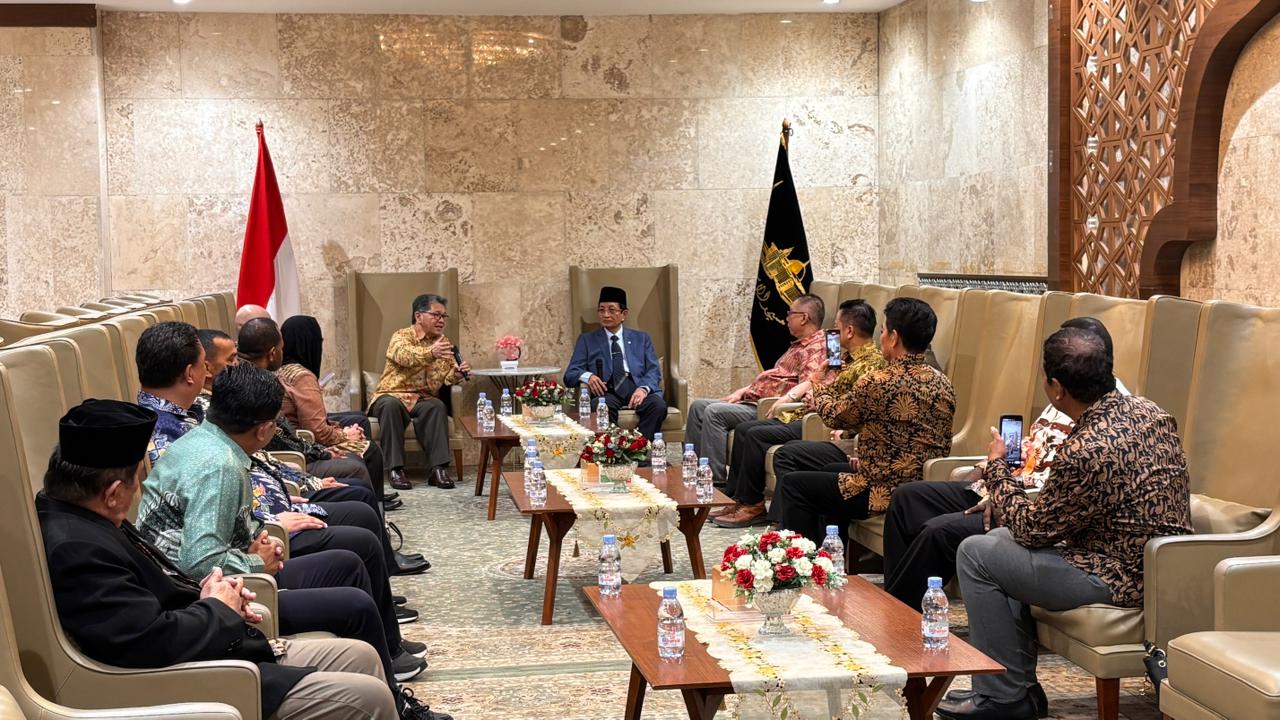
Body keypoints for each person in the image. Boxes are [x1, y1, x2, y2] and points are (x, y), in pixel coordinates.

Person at [37, 398, 450, 720]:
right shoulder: (78, 549)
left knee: (361, 656)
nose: (138, 492)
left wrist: (217, 595)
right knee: (369, 696)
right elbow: (147, 643)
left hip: (213, 643)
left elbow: (161, 587)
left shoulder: (85, 517)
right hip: (197, 678)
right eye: (134, 483)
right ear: (112, 493)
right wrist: (218, 607)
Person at [935, 328, 1191, 720]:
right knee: (1001, 543)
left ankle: (1003, 697)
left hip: (1116, 574)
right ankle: (1020, 691)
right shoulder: (1153, 413)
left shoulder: (1085, 448)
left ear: (1056, 389)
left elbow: (1032, 530)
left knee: (976, 552)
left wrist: (998, 468)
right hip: (1162, 567)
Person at [137, 362, 428, 685]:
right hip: (207, 595)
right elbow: (199, 561)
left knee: (348, 564)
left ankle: (391, 659)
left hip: (223, 571)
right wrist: (256, 561)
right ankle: (394, 698)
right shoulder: (219, 467)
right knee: (355, 605)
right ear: (264, 430)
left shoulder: (208, 440)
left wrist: (257, 539)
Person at [881, 317, 1131, 612]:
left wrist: (1000, 488)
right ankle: (893, 602)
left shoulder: (1100, 417)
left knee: (938, 532)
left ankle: (900, 618)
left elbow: (1053, 500)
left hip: (1026, 505)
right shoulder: (1068, 389)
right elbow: (1033, 444)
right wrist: (986, 465)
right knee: (907, 498)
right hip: (1004, 484)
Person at [775, 297, 955, 545]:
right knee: (829, 471)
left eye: (883, 331)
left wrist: (818, 383)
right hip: (921, 488)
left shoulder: (878, 381)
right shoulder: (943, 383)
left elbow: (834, 416)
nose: (881, 338)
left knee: (794, 485)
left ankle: (805, 559)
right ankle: (834, 553)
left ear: (894, 337)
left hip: (879, 490)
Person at [713, 299, 885, 528]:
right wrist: (809, 391)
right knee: (746, 429)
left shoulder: (870, 365)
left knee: (756, 435)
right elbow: (820, 384)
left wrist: (819, 398)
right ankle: (741, 500)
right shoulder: (841, 356)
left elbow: (850, 408)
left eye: (836, 327)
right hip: (810, 411)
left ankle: (760, 509)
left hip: (822, 421)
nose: (832, 333)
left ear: (850, 331)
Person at [238, 318, 391, 508]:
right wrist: (330, 447)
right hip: (287, 461)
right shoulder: (271, 382)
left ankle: (375, 507)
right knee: (363, 461)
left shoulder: (263, 376)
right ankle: (377, 506)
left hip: (287, 455)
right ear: (273, 353)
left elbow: (285, 433)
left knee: (358, 423)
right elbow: (307, 433)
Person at [684, 294, 831, 485]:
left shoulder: (817, 347)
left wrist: (786, 399)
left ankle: (713, 481)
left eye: (790, 313)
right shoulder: (798, 345)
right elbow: (776, 376)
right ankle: (692, 473)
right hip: (753, 400)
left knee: (714, 412)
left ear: (804, 318)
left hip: (768, 407)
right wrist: (742, 391)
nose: (786, 318)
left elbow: (810, 383)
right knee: (698, 407)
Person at [367, 294, 470, 491]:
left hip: (422, 398)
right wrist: (431, 353)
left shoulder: (443, 342)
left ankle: (438, 470)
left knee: (437, 406)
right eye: (436, 315)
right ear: (418, 316)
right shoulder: (402, 336)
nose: (441, 320)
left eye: (443, 316)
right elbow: (404, 357)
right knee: (390, 406)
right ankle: (396, 469)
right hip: (392, 394)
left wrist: (456, 374)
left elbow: (445, 377)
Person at [276, 316, 387, 486]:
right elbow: (317, 432)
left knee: (359, 421)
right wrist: (346, 435)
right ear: (310, 344)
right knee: (371, 450)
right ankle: (374, 499)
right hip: (306, 447)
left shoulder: (281, 369)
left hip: (297, 442)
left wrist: (342, 431)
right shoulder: (302, 376)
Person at [563, 286, 668, 441]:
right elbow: (570, 374)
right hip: (607, 392)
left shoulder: (641, 338)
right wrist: (588, 376)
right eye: (601, 310)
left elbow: (653, 370)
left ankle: (641, 448)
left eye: (611, 310)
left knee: (658, 405)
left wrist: (643, 389)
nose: (606, 315)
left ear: (624, 314)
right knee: (599, 406)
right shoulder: (587, 340)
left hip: (636, 388)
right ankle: (613, 449)